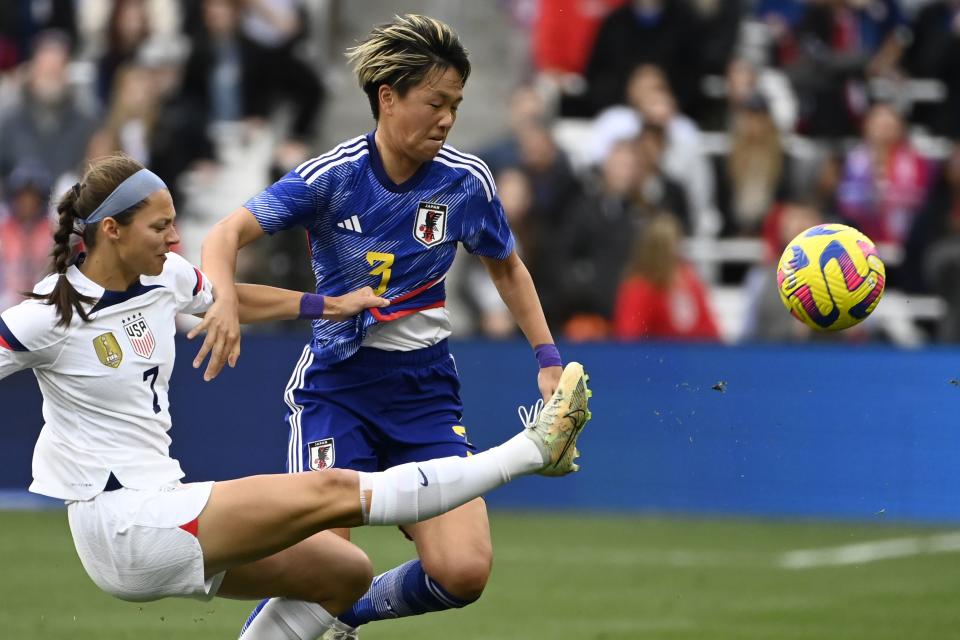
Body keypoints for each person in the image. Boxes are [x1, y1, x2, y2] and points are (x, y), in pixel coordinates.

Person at [0, 153, 592, 640]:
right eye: (161, 227)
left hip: (160, 505)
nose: (176, 237)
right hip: (122, 521)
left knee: (344, 573)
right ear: (111, 230)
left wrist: (326, 306)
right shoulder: (45, 316)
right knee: (333, 494)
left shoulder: (165, 277)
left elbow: (231, 295)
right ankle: (533, 450)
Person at [196, 14, 567, 637]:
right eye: (435, 103)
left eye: (455, 105)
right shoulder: (332, 177)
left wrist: (548, 359)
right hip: (337, 390)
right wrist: (223, 297)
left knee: (464, 570)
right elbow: (225, 232)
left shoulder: (464, 182)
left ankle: (348, 617)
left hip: (424, 393)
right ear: (387, 98)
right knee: (324, 561)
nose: (447, 118)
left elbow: (507, 268)